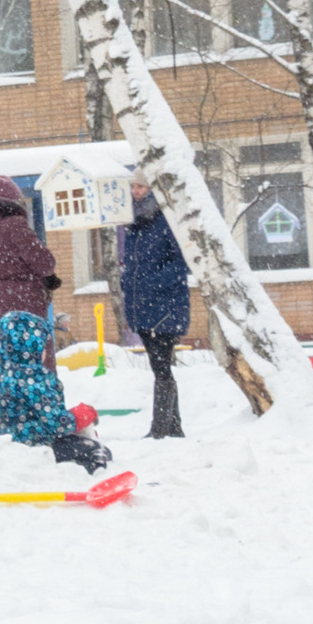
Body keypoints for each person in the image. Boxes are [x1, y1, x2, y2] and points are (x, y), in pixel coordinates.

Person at [0, 307, 109, 475]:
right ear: (31, 347)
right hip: (34, 445)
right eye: (42, 346)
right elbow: (56, 423)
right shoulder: (33, 377)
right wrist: (78, 417)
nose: (44, 351)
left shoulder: (4, 370)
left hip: (9, 440)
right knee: (96, 450)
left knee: (79, 444)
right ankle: (96, 477)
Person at [0, 177, 59, 381]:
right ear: (14, 201)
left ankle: (4, 404)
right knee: (32, 355)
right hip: (21, 299)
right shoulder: (14, 225)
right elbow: (43, 261)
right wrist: (48, 277)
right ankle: (39, 403)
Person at [116, 185, 192, 440]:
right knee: (160, 366)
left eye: (141, 186)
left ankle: (160, 429)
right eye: (133, 186)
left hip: (165, 305)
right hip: (144, 306)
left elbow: (182, 264)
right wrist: (129, 282)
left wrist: (151, 282)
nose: (136, 191)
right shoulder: (133, 224)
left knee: (161, 366)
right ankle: (173, 427)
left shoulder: (166, 220)